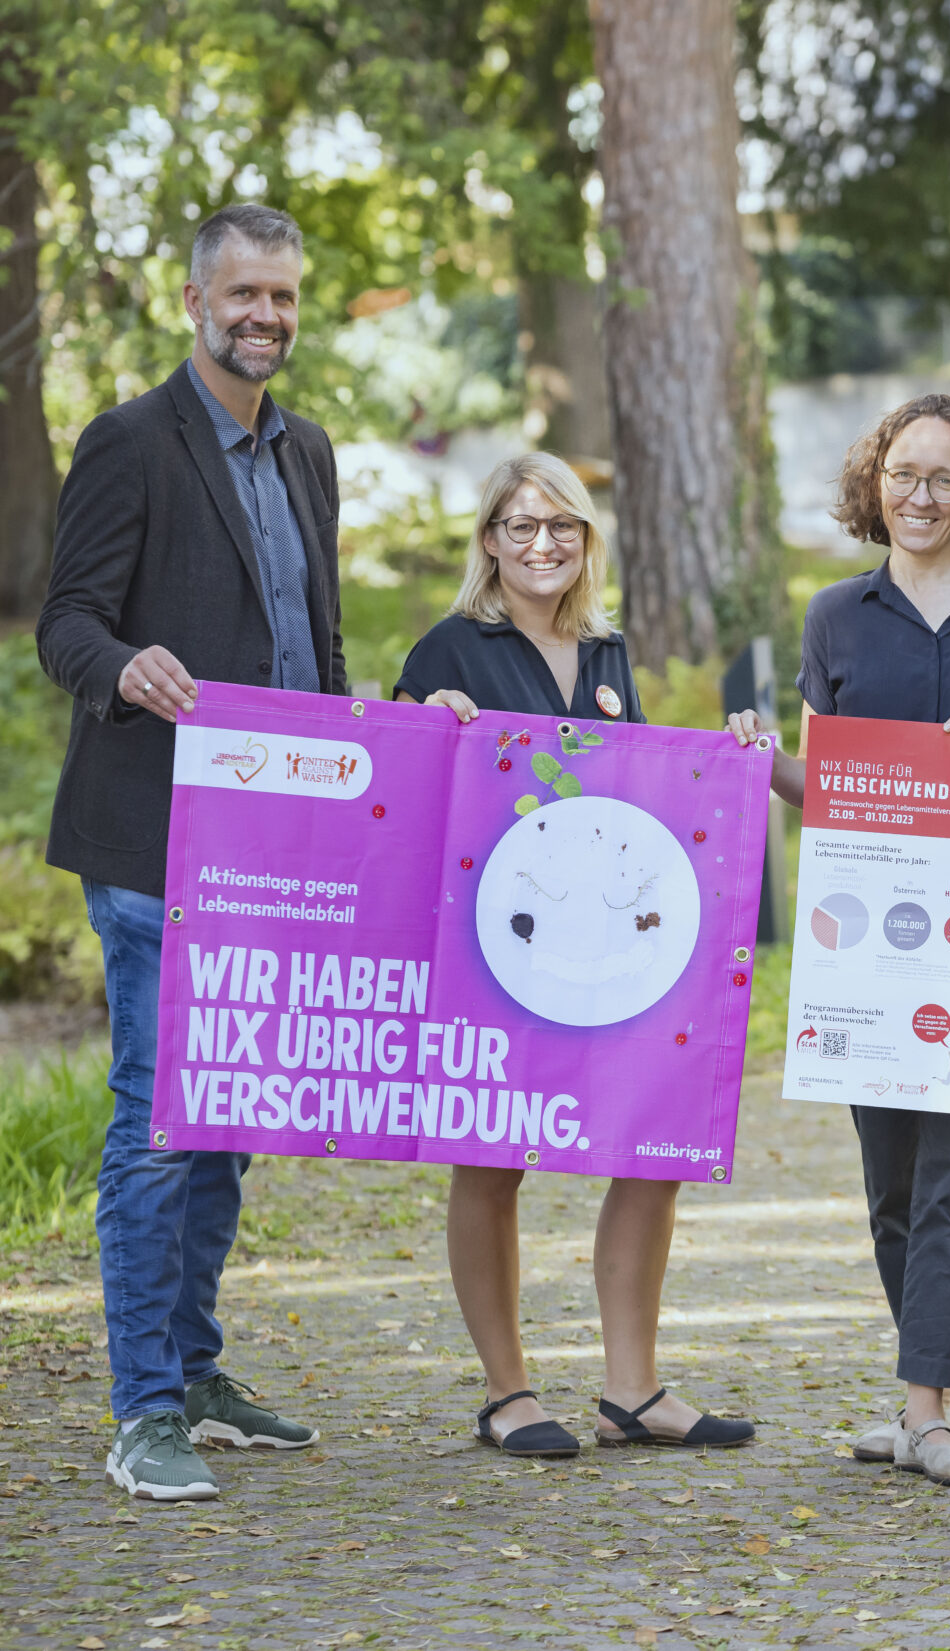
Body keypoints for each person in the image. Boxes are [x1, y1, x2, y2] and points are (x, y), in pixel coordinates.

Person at [38, 203, 337, 1501]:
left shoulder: (307, 450)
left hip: (276, 846)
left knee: (228, 1119)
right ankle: (142, 1409)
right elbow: (64, 624)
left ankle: (196, 1365)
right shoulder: (128, 441)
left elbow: (307, 643)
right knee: (159, 1123)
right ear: (192, 300)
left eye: (282, 296)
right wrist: (124, 665)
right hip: (155, 847)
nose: (264, 315)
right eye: (244, 295)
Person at [401, 452, 757, 1460]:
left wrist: (724, 751)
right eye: (520, 526)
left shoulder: (606, 650)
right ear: (489, 542)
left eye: (562, 526)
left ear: (587, 540)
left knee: (651, 1144)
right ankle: (506, 1393)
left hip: (605, 947)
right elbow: (408, 792)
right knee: (491, 1155)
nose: (543, 543)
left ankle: (631, 1391)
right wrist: (430, 732)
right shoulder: (449, 647)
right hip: (492, 946)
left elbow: (631, 788)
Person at [729, 394, 950, 1486]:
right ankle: (919, 1402)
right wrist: (762, 757)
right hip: (866, 939)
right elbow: (827, 792)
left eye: (944, 477)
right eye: (903, 473)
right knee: (891, 1181)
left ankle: (927, 1410)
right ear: (874, 481)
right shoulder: (836, 617)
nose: (920, 495)